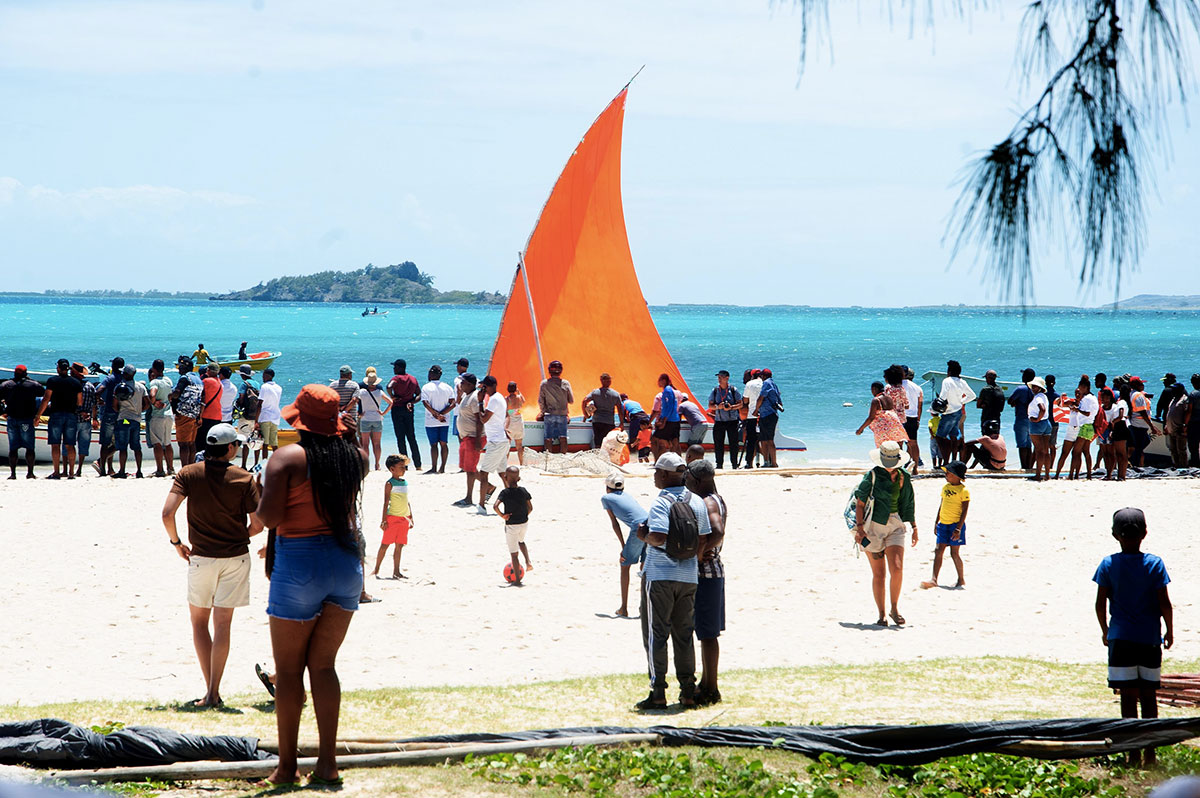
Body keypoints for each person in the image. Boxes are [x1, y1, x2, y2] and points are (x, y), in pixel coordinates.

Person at [256, 384, 367, 788]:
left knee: (288, 673)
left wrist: (255, 493)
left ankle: (287, 768)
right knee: (324, 666)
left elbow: (268, 518)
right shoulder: (357, 457)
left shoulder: (285, 458)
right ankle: (328, 764)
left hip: (300, 562)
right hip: (344, 563)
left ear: (299, 419)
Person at [160, 422, 264, 708]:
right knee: (223, 625)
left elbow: (167, 513)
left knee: (198, 623)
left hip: (201, 557)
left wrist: (176, 543)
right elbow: (258, 524)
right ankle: (214, 690)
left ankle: (210, 692)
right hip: (235, 557)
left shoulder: (189, 473)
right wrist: (237, 534)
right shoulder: (244, 478)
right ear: (230, 448)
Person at [1093, 507, 1173, 768]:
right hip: (1149, 638)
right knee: (1149, 697)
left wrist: (1106, 631)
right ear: (1145, 534)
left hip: (1121, 638)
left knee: (1127, 697)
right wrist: (1169, 630)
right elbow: (1165, 603)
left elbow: (1100, 603)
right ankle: (1150, 754)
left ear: (1115, 535)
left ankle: (1132, 753)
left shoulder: (1108, 563)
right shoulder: (1155, 563)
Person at [634, 452, 712, 709]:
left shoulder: (661, 502)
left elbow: (657, 536)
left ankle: (658, 693)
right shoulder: (698, 501)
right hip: (689, 576)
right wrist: (691, 561)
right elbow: (703, 539)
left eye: (657, 471)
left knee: (656, 634)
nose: (655, 476)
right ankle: (687, 692)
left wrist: (642, 536)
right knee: (684, 634)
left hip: (660, 576)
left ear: (666, 474)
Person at [851, 441, 917, 626]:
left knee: (897, 569)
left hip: (895, 524)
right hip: (872, 527)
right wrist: (860, 528)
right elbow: (860, 503)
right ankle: (881, 615)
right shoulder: (871, 476)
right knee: (879, 574)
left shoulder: (903, 476)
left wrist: (914, 526)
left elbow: (909, 501)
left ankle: (894, 609)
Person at [686, 458, 727, 707]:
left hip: (707, 573)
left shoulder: (708, 501)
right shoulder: (717, 497)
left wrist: (699, 554)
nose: (686, 483)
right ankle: (707, 683)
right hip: (713, 571)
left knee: (707, 633)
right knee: (707, 632)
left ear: (699, 481)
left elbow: (718, 531)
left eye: (689, 479)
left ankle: (711, 687)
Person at [601, 471, 648, 618]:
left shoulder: (606, 498)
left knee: (625, 565)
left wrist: (623, 547)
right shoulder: (627, 495)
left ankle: (624, 608)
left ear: (608, 487)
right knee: (644, 566)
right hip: (650, 524)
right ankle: (644, 607)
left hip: (638, 528)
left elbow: (615, 523)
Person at [920, 460, 968, 590]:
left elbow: (964, 511)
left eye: (948, 473)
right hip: (943, 524)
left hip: (955, 526)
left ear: (957, 475)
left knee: (954, 553)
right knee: (938, 550)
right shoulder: (945, 488)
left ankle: (961, 579)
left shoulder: (963, 491)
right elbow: (942, 505)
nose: (946, 475)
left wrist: (958, 528)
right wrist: (936, 522)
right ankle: (934, 579)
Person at [35, 359, 82, 480]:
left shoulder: (52, 381)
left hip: (56, 414)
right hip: (71, 415)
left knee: (55, 444)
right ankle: (71, 473)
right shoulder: (76, 383)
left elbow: (46, 399)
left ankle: (56, 472)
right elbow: (79, 402)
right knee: (70, 445)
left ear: (58, 368)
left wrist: (38, 415)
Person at [375, 454, 414, 580]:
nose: (404, 469)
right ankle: (376, 569)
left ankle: (396, 571)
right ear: (392, 469)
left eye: (405, 467)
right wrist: (383, 520)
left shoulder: (404, 482)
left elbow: (406, 500)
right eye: (401, 467)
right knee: (385, 544)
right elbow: (386, 502)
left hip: (404, 518)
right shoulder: (389, 483)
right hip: (392, 518)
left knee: (400, 545)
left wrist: (411, 517)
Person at [1, 365, 44, 479]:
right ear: (25, 373)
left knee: (13, 448)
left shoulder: (6, 385)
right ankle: (30, 473)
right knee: (30, 447)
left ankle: (13, 474)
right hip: (26, 419)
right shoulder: (32, 385)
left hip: (12, 419)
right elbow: (41, 391)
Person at [493, 465, 533, 585]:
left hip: (512, 526)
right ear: (519, 479)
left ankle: (517, 581)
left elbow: (495, 506)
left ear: (505, 477)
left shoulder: (504, 493)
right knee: (521, 541)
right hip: (524, 523)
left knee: (514, 554)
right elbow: (530, 507)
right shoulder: (523, 491)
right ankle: (528, 562)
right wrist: (524, 515)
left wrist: (502, 515)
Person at [476, 376, 510, 514]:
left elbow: (483, 419)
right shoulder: (500, 397)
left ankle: (481, 505)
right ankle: (512, 498)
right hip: (501, 441)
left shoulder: (494, 400)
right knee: (503, 474)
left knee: (484, 474)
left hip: (496, 442)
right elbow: (506, 415)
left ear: (486, 387)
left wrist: (479, 402)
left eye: (483, 387)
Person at [935, 361, 976, 461]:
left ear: (949, 371)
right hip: (958, 412)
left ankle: (946, 461)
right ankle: (953, 460)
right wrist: (961, 401)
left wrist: (936, 406)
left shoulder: (947, 381)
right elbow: (972, 396)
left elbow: (943, 396)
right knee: (953, 437)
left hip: (948, 412)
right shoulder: (962, 382)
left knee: (940, 438)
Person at [112, 365, 148, 479]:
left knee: (123, 447)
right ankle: (139, 471)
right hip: (136, 419)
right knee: (136, 446)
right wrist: (139, 411)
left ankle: (122, 471)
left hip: (125, 419)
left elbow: (114, 405)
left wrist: (120, 412)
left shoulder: (119, 387)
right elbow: (147, 404)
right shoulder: (141, 387)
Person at [386, 359, 422, 469]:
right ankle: (418, 465)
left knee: (401, 438)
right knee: (412, 437)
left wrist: (392, 396)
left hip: (397, 409)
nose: (394, 369)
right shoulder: (413, 379)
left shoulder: (396, 378)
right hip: (409, 409)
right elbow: (419, 394)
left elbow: (388, 386)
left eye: (395, 367)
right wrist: (411, 402)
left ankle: (404, 465)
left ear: (400, 367)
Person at [452, 374, 481, 508]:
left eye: (462, 383)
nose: (460, 385)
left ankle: (469, 497)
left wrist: (478, 440)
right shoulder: (466, 395)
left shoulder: (474, 398)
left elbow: (479, 419)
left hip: (473, 436)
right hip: (466, 436)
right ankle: (489, 486)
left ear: (470, 384)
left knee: (470, 469)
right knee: (467, 466)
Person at [94, 357, 126, 477]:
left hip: (108, 414)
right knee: (118, 441)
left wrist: (99, 400)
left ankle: (102, 468)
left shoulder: (109, 379)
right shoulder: (124, 379)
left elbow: (98, 391)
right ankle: (110, 468)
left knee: (105, 442)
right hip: (123, 415)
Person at [420, 365, 455, 474]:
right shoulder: (447, 387)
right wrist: (442, 414)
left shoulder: (426, 387)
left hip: (431, 421)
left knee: (433, 445)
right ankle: (442, 468)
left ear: (431, 374)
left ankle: (434, 467)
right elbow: (453, 403)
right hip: (444, 420)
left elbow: (425, 403)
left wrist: (436, 415)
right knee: (444, 444)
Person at [170, 358, 204, 468]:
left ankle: (185, 469)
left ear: (185, 367)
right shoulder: (198, 379)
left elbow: (177, 392)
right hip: (195, 413)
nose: (179, 369)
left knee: (183, 444)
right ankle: (191, 467)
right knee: (191, 443)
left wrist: (169, 396)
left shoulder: (185, 378)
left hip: (184, 413)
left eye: (180, 367)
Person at [146, 359, 176, 477]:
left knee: (157, 444)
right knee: (167, 443)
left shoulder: (154, 382)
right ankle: (171, 468)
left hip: (158, 415)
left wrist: (153, 402)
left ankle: (160, 469)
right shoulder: (168, 380)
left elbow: (152, 394)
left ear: (154, 369)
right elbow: (171, 395)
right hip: (169, 414)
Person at [356, 367, 390, 471]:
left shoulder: (361, 391)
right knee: (377, 443)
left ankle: (366, 465)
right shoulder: (379, 391)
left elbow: (354, 400)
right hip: (377, 419)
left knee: (365, 443)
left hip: (365, 418)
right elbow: (391, 402)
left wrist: (358, 414)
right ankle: (377, 464)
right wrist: (383, 413)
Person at [857, 381, 910, 448]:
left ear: (874, 389)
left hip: (883, 428)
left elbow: (871, 417)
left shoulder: (876, 400)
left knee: (883, 449)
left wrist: (860, 429)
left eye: (872, 390)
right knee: (895, 448)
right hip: (894, 424)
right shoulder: (889, 398)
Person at [537, 360, 573, 455]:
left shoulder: (544, 384)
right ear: (561, 371)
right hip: (562, 415)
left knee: (548, 438)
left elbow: (540, 401)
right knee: (563, 437)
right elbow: (571, 400)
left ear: (549, 371)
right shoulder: (565, 383)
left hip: (549, 415)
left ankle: (548, 458)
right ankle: (563, 457)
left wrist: (542, 411)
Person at [707, 370, 742, 470]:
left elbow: (741, 404)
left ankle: (734, 465)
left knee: (734, 443)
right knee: (718, 444)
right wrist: (718, 407)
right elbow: (710, 405)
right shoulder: (715, 390)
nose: (719, 379)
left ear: (727, 378)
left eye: (721, 377)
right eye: (718, 377)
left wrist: (731, 407)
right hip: (719, 421)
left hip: (732, 421)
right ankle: (719, 464)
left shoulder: (733, 390)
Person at [583, 373, 626, 449]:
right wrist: (621, 423)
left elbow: (584, 401)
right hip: (609, 422)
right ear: (609, 381)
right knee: (608, 443)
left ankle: (597, 458)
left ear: (601, 381)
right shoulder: (615, 394)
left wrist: (586, 414)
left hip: (597, 421)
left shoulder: (595, 392)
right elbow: (620, 410)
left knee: (598, 443)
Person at [1067, 376, 1099, 480]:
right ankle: (1088, 474)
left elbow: (1087, 413)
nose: (1079, 390)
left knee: (1075, 452)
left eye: (1080, 387)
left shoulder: (1086, 399)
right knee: (1086, 452)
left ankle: (1072, 475)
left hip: (1085, 426)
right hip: (1090, 426)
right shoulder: (1093, 397)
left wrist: (1077, 410)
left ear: (1084, 387)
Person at [649, 373, 685, 460]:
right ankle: (679, 461)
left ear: (664, 381)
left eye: (659, 380)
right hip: (675, 420)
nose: (658, 382)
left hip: (669, 420)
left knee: (654, 440)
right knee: (674, 441)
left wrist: (663, 421)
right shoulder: (676, 392)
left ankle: (658, 461)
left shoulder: (667, 390)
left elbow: (670, 406)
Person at [1007, 368, 1037, 470]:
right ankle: (1029, 467)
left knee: (1021, 444)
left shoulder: (1020, 389)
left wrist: (1016, 403)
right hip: (1032, 420)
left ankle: (1023, 467)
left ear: (1024, 377)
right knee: (1029, 444)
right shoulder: (1035, 389)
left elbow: (1010, 401)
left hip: (1021, 418)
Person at [235, 365, 262, 470]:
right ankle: (255, 464)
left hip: (245, 416)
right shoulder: (257, 384)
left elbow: (241, 399)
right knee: (256, 440)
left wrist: (237, 404)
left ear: (242, 374)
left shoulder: (243, 384)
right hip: (255, 416)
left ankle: (244, 465)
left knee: (245, 441)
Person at [73, 362, 98, 478]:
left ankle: (69, 469)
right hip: (86, 420)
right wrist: (95, 419)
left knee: (69, 444)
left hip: (73, 419)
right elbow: (94, 404)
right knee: (83, 446)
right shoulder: (90, 386)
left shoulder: (72, 385)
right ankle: (79, 469)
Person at [755, 368, 783, 468]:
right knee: (770, 439)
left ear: (763, 376)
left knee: (765, 440)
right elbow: (780, 402)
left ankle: (768, 462)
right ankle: (773, 462)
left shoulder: (766, 383)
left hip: (766, 414)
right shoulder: (774, 384)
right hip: (773, 414)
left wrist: (756, 410)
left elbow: (761, 398)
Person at [1104, 387, 1131, 480]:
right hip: (1121, 426)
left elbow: (1121, 415)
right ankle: (1120, 475)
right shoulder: (1123, 402)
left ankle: (1122, 475)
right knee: (1120, 454)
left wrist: (1113, 422)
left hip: (1120, 426)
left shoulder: (1121, 402)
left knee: (1121, 454)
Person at [1027, 376, 1052, 481]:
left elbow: (1042, 408)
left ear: (1040, 387)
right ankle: (1046, 474)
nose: (1033, 388)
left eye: (1035, 386)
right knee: (1046, 451)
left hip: (1038, 424)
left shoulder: (1037, 397)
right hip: (1047, 423)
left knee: (1039, 451)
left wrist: (1037, 419)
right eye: (1033, 386)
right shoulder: (1044, 396)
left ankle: (1038, 475)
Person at [1129, 377, 1157, 468]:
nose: (1143, 385)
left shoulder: (1132, 394)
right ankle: (1135, 465)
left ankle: (1134, 464)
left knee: (1139, 446)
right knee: (1139, 447)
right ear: (1136, 385)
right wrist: (1151, 426)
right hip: (1139, 424)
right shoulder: (1138, 395)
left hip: (1137, 424)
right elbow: (1143, 413)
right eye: (1141, 384)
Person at [901, 366, 923, 474]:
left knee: (899, 443)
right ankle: (915, 469)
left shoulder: (896, 386)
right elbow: (920, 405)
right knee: (913, 443)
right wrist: (918, 420)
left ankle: (899, 467)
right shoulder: (918, 388)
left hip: (901, 417)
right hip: (913, 418)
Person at [257, 368, 283, 459]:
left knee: (265, 444)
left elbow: (260, 404)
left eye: (263, 375)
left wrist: (256, 420)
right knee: (274, 444)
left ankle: (265, 464)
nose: (262, 377)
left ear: (268, 375)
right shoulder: (279, 388)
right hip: (275, 417)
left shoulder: (264, 387)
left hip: (265, 417)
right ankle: (279, 463)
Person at [1164, 383, 1191, 468]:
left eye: (1175, 389)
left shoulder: (1184, 399)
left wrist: (1185, 425)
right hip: (1171, 428)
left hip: (1180, 428)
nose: (1173, 391)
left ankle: (1183, 466)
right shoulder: (1173, 399)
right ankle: (1176, 465)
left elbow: (1187, 412)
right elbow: (1169, 412)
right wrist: (1166, 425)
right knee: (1173, 449)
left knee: (1181, 450)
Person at [741, 369, 763, 469]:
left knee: (751, 440)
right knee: (765, 440)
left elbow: (745, 400)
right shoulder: (766, 383)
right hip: (764, 414)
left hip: (751, 416)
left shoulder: (750, 384)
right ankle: (769, 460)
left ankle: (749, 462)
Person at [505, 382, 526, 465]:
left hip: (510, 423)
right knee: (519, 446)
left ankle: (505, 464)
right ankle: (521, 463)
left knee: (507, 446)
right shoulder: (519, 398)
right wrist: (519, 391)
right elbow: (524, 401)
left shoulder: (506, 399)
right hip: (519, 423)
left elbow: (505, 410)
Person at [451, 357, 470, 443]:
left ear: (461, 367)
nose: (457, 368)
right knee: (468, 436)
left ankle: (463, 455)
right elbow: (482, 385)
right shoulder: (471, 378)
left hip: (458, 411)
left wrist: (458, 400)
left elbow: (459, 388)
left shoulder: (458, 379)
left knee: (460, 437)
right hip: (469, 411)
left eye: (458, 365)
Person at [1188, 374, 1200, 467]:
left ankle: (1195, 464)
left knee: (1193, 446)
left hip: (1195, 423)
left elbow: (1189, 410)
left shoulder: (1193, 394)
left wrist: (1184, 424)